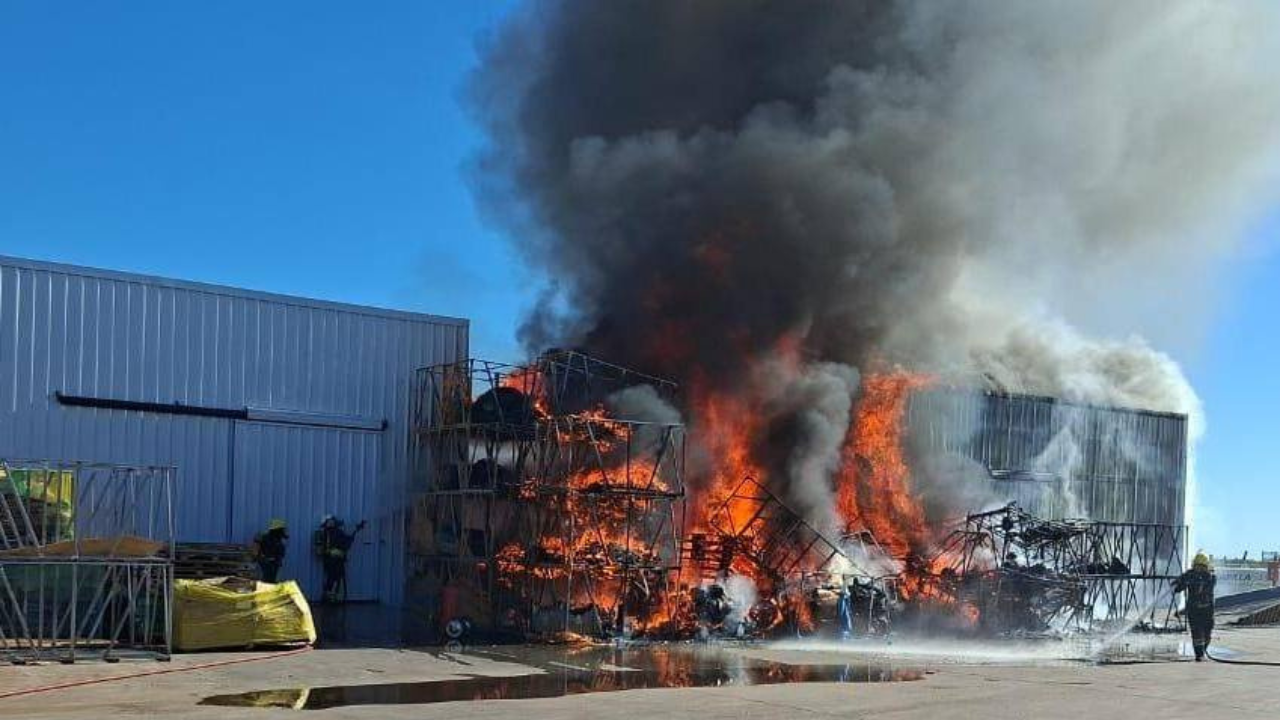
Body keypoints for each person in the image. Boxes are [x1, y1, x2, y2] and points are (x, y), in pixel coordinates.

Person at [1172, 552, 1217, 661]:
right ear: (1194, 566)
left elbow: (1202, 584)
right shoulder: (1189, 575)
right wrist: (1179, 583)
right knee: (1196, 633)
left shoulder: (1211, 577)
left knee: (1207, 634)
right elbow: (1179, 588)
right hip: (1194, 610)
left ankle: (1203, 650)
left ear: (1206, 567)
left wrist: (1189, 579)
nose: (1199, 569)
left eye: (1202, 567)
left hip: (1207, 611)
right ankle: (1199, 655)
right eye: (1197, 566)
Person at [314, 515, 366, 603]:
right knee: (332, 578)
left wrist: (356, 530)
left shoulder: (337, 532)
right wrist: (330, 552)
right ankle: (329, 597)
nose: (331, 523)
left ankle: (334, 597)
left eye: (332, 521)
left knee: (336, 578)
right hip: (331, 560)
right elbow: (319, 549)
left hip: (337, 560)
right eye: (330, 521)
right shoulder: (324, 533)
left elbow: (346, 542)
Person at [253, 518, 289, 583]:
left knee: (272, 584)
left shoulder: (279, 542)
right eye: (282, 529)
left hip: (274, 565)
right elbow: (256, 549)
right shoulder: (264, 537)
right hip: (264, 565)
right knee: (264, 583)